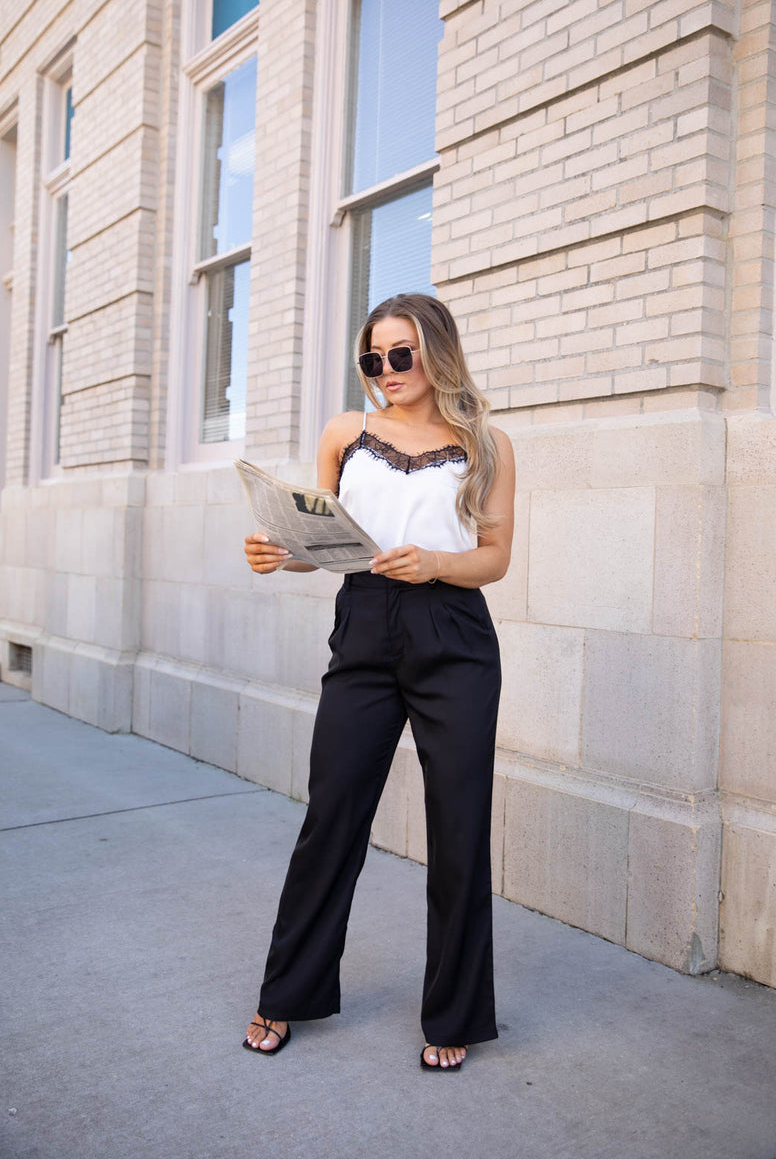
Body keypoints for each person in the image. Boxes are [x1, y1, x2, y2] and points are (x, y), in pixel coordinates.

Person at [242, 292, 515, 1070]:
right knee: (332, 813)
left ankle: (456, 1011)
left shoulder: (485, 444)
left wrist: (436, 564)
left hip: (454, 636)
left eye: (401, 353)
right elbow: (325, 541)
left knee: (458, 827)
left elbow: (495, 559)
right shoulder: (344, 434)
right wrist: (279, 553)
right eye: (374, 358)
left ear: (435, 351)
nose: (387, 370)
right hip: (363, 626)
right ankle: (285, 993)